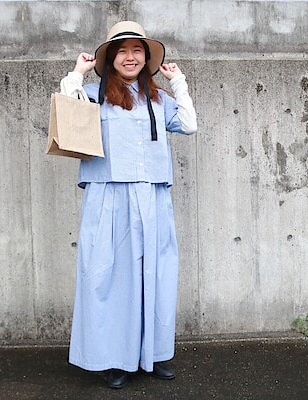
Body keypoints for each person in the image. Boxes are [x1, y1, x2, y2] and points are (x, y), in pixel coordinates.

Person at [60, 21, 197, 389]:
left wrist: (178, 82)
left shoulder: (159, 99)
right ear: (110, 58)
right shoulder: (94, 94)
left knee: (154, 274)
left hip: (151, 196)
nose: (130, 57)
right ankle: (115, 359)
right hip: (108, 195)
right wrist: (77, 72)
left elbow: (188, 124)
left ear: (146, 57)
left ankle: (152, 354)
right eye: (122, 51)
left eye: (137, 50)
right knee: (110, 277)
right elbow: (68, 111)